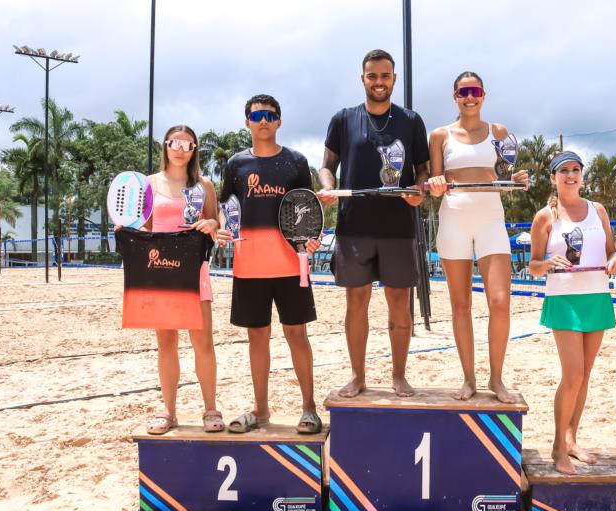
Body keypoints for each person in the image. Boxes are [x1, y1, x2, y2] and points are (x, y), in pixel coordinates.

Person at [317, 49, 429, 398]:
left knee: (399, 303)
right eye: (372, 76)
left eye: (385, 76)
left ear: (394, 78)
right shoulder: (343, 119)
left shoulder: (411, 120)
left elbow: (423, 170)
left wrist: (419, 190)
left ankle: (399, 376)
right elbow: (327, 166)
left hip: (398, 226)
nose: (379, 82)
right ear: (363, 79)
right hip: (355, 226)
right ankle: (358, 376)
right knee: (356, 303)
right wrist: (327, 186)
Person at [219, 94, 322, 434]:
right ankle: (261, 410)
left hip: (291, 264)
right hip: (249, 266)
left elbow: (309, 209)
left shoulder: (296, 162)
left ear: (279, 121)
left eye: (269, 115)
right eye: (256, 115)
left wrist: (311, 239)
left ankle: (309, 409)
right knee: (257, 337)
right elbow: (226, 207)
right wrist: (221, 229)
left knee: (297, 335)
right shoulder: (235, 164)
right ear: (247, 122)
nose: (263, 120)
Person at [426, 71, 529, 403]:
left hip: (490, 219)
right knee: (461, 306)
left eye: (475, 91)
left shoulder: (498, 131)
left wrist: (517, 180)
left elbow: (503, 176)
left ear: (483, 95)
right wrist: (435, 184)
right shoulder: (439, 135)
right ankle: (469, 378)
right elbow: (435, 182)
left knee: (500, 302)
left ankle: (496, 379)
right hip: (454, 219)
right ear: (454, 96)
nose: (469, 97)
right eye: (463, 92)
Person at [528, 150, 616, 474]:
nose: (570, 175)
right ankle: (558, 448)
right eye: (564, 170)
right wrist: (547, 263)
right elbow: (533, 266)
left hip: (596, 296)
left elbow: (612, 251)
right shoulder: (545, 216)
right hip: (564, 300)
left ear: (582, 175)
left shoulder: (598, 210)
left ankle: (571, 439)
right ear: (553, 177)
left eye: (575, 170)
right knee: (573, 376)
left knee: (584, 376)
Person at [143, 125, 223, 435]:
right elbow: (145, 227)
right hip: (161, 272)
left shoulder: (204, 184)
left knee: (203, 341)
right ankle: (169, 411)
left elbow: (215, 224)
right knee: (166, 343)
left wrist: (211, 223)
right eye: (174, 143)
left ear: (194, 150)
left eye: (187, 144)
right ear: (165, 146)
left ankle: (211, 408)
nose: (180, 149)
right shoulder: (149, 183)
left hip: (194, 270)